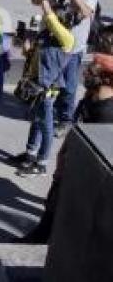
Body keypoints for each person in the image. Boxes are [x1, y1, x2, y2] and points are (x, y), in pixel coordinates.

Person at [15, 26, 113, 243]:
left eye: (97, 63)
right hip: (68, 168)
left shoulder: (107, 112)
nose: (88, 68)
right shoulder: (92, 98)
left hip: (82, 179)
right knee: (53, 208)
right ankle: (43, 233)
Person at [9, 0, 92, 176]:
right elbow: (36, 1)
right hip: (46, 52)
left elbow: (84, 13)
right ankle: (30, 154)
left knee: (52, 105)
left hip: (67, 54)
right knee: (39, 113)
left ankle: (44, 155)